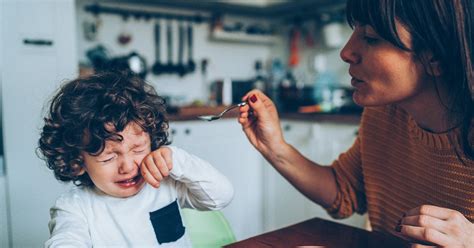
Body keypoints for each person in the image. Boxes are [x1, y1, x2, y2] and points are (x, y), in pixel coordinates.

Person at [238, 0, 473, 246]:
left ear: (435, 57)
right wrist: (275, 147)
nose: (346, 52)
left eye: (371, 37)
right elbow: (344, 189)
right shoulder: (385, 113)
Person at [38, 71, 234, 247]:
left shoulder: (166, 183)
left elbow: (221, 196)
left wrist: (176, 159)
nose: (127, 166)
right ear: (76, 162)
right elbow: (65, 241)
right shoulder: (75, 208)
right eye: (108, 158)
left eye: (138, 149)